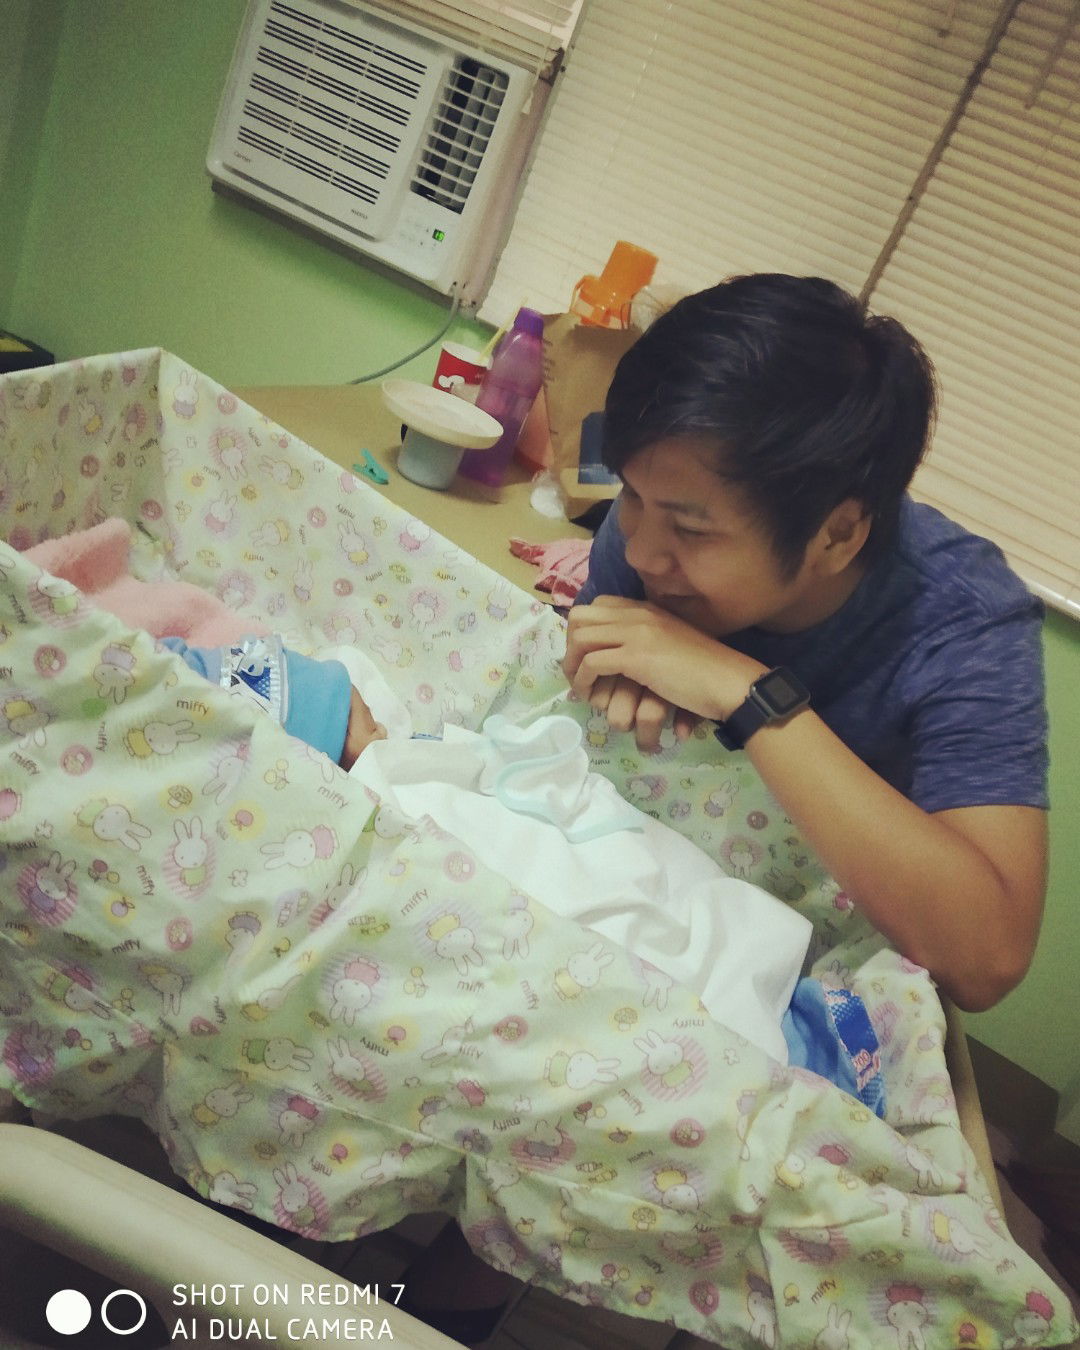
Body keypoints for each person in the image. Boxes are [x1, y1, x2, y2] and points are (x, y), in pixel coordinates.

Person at [563, 272, 1049, 1015]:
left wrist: (749, 694)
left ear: (837, 535)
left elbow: (987, 959)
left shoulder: (966, 621)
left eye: (691, 530)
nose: (641, 553)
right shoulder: (651, 532)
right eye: (630, 495)